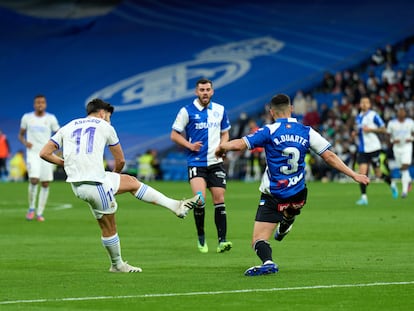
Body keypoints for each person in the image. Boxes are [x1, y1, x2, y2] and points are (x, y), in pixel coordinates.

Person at [39, 98, 203, 273]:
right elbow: (121, 160)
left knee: (131, 182)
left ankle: (175, 205)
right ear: (102, 113)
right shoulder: (105, 126)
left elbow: (44, 153)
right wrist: (113, 176)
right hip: (96, 184)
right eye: (109, 116)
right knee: (109, 227)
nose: (109, 119)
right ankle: (117, 264)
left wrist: (66, 163)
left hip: (79, 184)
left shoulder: (68, 126)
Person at [215, 94, 370, 276]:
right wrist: (354, 174)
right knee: (290, 207)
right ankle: (288, 219)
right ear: (292, 109)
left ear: (271, 112)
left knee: (258, 240)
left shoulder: (269, 131)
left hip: (274, 195)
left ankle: (269, 262)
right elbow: (329, 156)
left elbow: (241, 145)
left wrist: (222, 147)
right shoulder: (306, 131)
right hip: (298, 194)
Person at [170, 78, 232, 254]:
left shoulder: (220, 110)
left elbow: (225, 133)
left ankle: (222, 241)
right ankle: (201, 238)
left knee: (219, 199)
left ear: (212, 91)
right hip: (196, 162)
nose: (205, 92)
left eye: (208, 89)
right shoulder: (186, 111)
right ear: (196, 92)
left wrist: (223, 146)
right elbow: (174, 135)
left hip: (216, 162)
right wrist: (189, 146)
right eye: (202, 90)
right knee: (200, 199)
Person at [18, 94, 60, 221]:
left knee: (45, 183)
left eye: (42, 102)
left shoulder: (51, 118)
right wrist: (26, 143)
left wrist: (56, 147)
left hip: (47, 154)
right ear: (34, 104)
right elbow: (20, 135)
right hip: (33, 153)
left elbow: (59, 133)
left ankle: (40, 213)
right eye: (37, 102)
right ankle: (31, 208)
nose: (40, 104)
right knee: (34, 179)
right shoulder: (27, 118)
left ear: (45, 104)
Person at [352, 96, 396, 205]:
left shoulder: (373, 115)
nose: (364, 104)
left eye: (366, 103)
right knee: (362, 173)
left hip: (374, 148)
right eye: (362, 102)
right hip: (362, 149)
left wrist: (371, 129)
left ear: (369, 105)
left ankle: (392, 184)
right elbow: (360, 130)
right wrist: (356, 133)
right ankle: (364, 197)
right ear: (360, 104)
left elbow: (384, 128)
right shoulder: (358, 117)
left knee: (378, 173)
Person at [386, 106, 414, 198]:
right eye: (400, 112)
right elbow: (388, 136)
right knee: (402, 168)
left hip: (407, 147)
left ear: (405, 114)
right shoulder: (392, 123)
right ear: (397, 113)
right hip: (397, 148)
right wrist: (392, 141)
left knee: (404, 167)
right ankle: (408, 180)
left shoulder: (410, 123)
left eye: (403, 112)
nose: (401, 114)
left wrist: (411, 139)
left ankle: (404, 191)